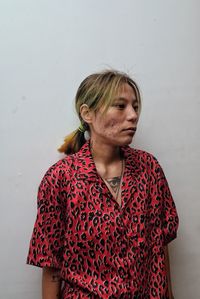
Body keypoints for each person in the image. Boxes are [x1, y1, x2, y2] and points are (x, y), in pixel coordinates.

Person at [27, 70, 179, 299]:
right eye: (120, 106)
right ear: (87, 113)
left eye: (135, 107)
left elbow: (161, 242)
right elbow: (51, 263)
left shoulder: (149, 170)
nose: (133, 115)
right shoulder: (61, 179)